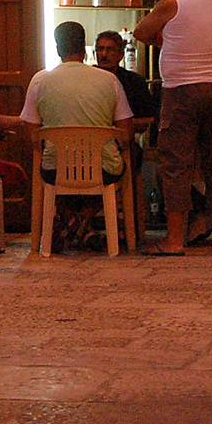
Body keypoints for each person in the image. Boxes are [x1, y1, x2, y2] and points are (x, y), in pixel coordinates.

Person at [132, 0, 212, 255]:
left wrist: (165, 41)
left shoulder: (172, 3)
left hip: (182, 92)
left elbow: (142, 31)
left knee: (176, 164)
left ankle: (174, 239)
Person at [22, 20, 134, 251]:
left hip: (56, 169)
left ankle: (71, 222)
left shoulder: (40, 80)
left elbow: (31, 133)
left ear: (57, 48)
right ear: (84, 47)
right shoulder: (109, 80)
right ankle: (84, 223)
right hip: (102, 169)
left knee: (54, 170)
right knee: (113, 164)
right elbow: (126, 132)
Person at [94, 29, 158, 126]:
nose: (104, 54)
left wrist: (123, 123)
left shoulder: (134, 82)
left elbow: (149, 118)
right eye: (100, 49)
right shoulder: (87, 79)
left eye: (110, 49)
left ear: (121, 55)